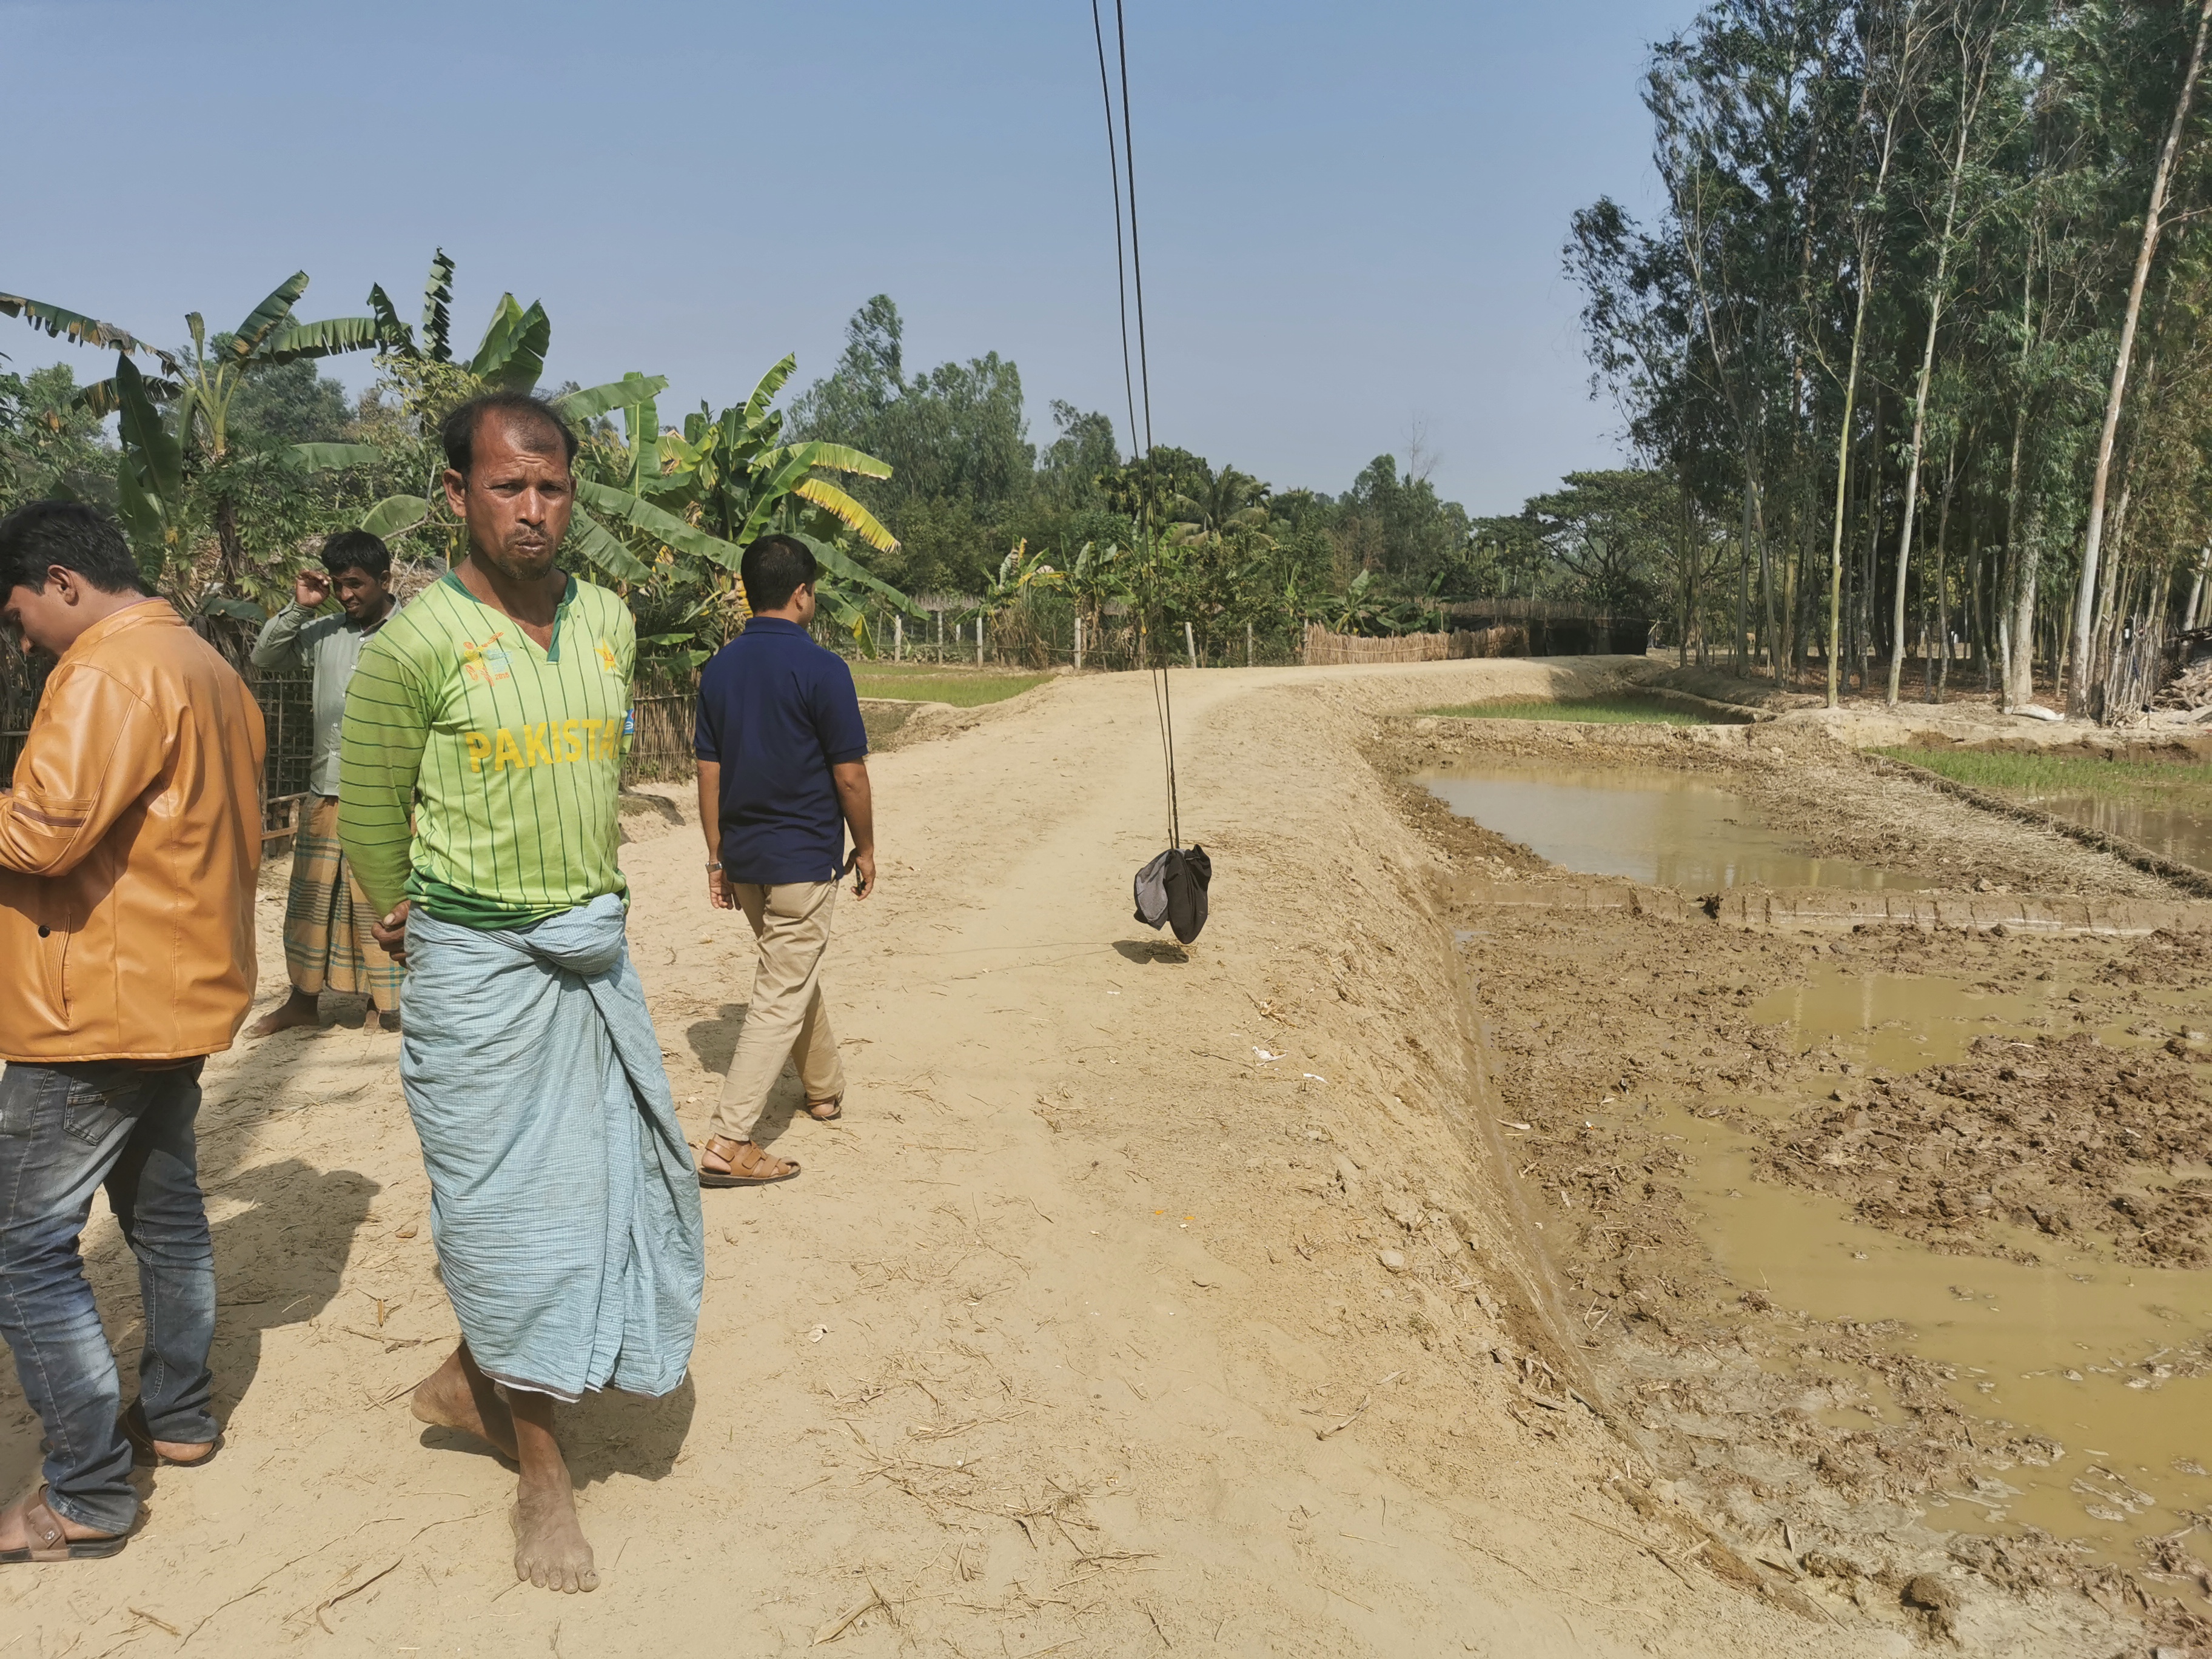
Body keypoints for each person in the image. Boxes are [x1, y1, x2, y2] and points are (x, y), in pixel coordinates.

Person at [338, 391, 703, 1595]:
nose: (534, 510)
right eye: (508, 487)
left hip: (590, 961)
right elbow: (375, 811)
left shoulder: (605, 622)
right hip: (479, 973)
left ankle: (467, 1375)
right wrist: (402, 913)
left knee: (585, 1200)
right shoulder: (415, 645)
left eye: (551, 488)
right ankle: (541, 1476)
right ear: (457, 496)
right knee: (508, 1220)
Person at [0, 502, 266, 1562]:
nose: (24, 640)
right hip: (178, 991)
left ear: (62, 583)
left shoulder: (109, 672)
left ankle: (86, 1491)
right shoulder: (206, 665)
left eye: (20, 614)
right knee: (164, 1216)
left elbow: (44, 832)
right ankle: (182, 1416)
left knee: (22, 1248)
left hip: (92, 1007)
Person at [692, 533, 876, 1187]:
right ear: (803, 594)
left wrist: (715, 858)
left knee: (790, 974)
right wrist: (869, 846)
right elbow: (849, 775)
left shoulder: (719, 668)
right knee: (780, 990)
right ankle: (729, 1142)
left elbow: (707, 771)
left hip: (744, 861)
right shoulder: (825, 669)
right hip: (802, 859)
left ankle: (823, 1089)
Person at [247, 529, 403, 1037]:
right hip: (326, 790)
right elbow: (264, 658)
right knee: (313, 904)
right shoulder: (325, 633)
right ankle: (302, 1001)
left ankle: (387, 1005)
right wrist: (300, 608)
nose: (347, 595)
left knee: (379, 902)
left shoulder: (416, 633)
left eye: (356, 584)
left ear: (385, 580)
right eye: (338, 585)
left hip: (390, 796)